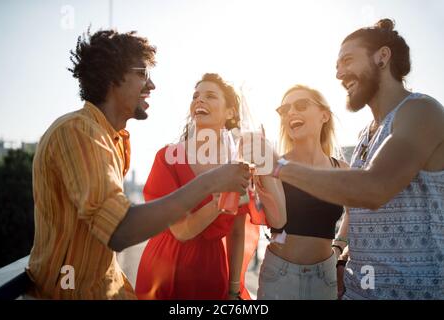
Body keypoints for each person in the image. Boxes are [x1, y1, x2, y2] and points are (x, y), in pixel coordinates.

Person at [26, 31, 250, 299]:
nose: (152, 85)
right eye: (143, 74)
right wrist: (213, 182)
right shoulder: (78, 132)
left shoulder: (113, 139)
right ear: (113, 78)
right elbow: (119, 230)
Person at [255, 18, 444, 299]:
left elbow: (374, 188)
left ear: (382, 57)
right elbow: (357, 210)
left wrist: (279, 167)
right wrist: (342, 253)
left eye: (347, 60)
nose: (339, 74)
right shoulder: (365, 136)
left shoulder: (422, 111)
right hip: (357, 291)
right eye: (337, 66)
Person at [135, 73, 286, 300]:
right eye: (195, 96)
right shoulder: (167, 157)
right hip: (163, 269)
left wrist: (234, 288)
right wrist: (222, 197)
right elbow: (182, 231)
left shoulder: (239, 165)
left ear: (230, 113)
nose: (199, 100)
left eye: (210, 96)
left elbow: (237, 231)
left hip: (212, 272)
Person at [257, 85, 349, 300]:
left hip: (325, 276)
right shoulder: (273, 166)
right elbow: (276, 221)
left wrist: (338, 247)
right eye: (284, 109)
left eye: (301, 105)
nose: (290, 112)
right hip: (279, 275)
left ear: (324, 115)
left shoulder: (341, 169)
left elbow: (355, 212)